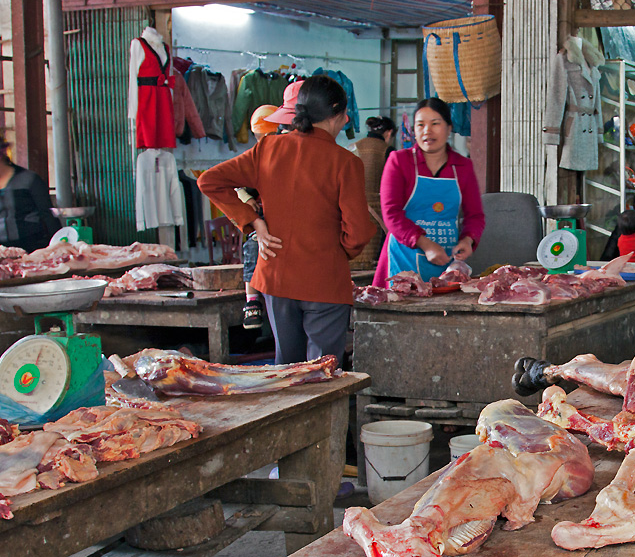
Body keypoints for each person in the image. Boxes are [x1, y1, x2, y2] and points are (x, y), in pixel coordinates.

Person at [197, 75, 374, 366]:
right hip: (324, 282)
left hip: (276, 277)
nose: (345, 120)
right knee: (324, 373)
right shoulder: (346, 162)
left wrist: (253, 221)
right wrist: (334, 251)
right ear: (336, 113)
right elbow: (356, 233)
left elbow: (209, 181)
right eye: (344, 114)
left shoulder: (268, 149)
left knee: (286, 370)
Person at [372, 97, 485, 287]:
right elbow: (391, 214)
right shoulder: (399, 161)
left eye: (435, 124)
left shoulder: (462, 166)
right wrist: (425, 244)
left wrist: (467, 240)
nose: (427, 131)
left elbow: (475, 215)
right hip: (403, 260)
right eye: (420, 125)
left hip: (445, 263)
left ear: (449, 128)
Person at [236, 102, 282, 329]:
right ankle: (251, 300)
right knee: (253, 244)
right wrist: (248, 201)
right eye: (260, 137)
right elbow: (238, 186)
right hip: (265, 219)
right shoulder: (254, 159)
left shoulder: (288, 155)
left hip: (288, 216)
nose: (263, 141)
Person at [0, 134, 61, 252]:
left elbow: (47, 214)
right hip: (0, 253)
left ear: (1, 158)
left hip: (33, 249)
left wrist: (58, 245)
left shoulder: (29, 180)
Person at [349, 115, 396, 267]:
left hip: (351, 209)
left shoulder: (354, 146)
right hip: (377, 212)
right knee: (375, 260)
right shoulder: (387, 150)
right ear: (388, 133)